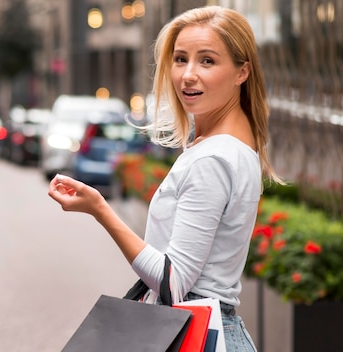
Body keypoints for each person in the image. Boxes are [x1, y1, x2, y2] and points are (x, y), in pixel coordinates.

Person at [48, 6, 282, 352]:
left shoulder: (214, 157)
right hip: (207, 330)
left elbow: (173, 283)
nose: (188, 75)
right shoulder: (231, 146)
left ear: (241, 72)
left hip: (197, 335)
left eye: (207, 61)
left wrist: (100, 209)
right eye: (180, 59)